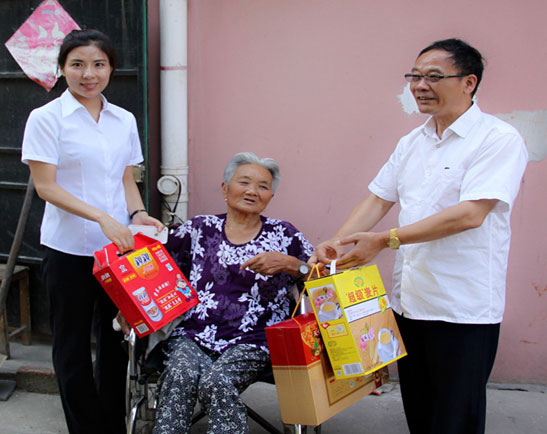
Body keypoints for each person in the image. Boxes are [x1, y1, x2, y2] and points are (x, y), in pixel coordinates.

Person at [312, 38, 528, 434]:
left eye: (433, 77)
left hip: (461, 308)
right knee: (421, 415)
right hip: (409, 304)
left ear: (468, 82)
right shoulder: (412, 143)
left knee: (455, 421)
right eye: (415, 76)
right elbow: (377, 199)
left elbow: (471, 214)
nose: (420, 86)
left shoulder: (497, 139)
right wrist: (336, 245)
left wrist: (386, 240)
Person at [21, 29, 163, 434]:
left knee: (117, 343)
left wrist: (138, 213)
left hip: (118, 251)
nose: (89, 74)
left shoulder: (124, 120)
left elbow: (126, 178)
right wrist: (101, 217)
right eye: (78, 64)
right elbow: (46, 187)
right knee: (72, 350)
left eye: (98, 64)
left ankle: (110, 426)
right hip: (68, 251)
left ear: (111, 68)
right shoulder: (46, 119)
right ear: (62, 68)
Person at [119, 152, 314, 434]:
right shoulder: (200, 228)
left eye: (262, 186)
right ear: (225, 188)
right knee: (179, 374)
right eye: (244, 182)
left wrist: (293, 264)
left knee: (218, 381)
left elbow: (323, 279)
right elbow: (154, 268)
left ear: (271, 196)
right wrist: (129, 306)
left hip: (255, 339)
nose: (252, 191)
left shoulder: (285, 235)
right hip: (194, 333)